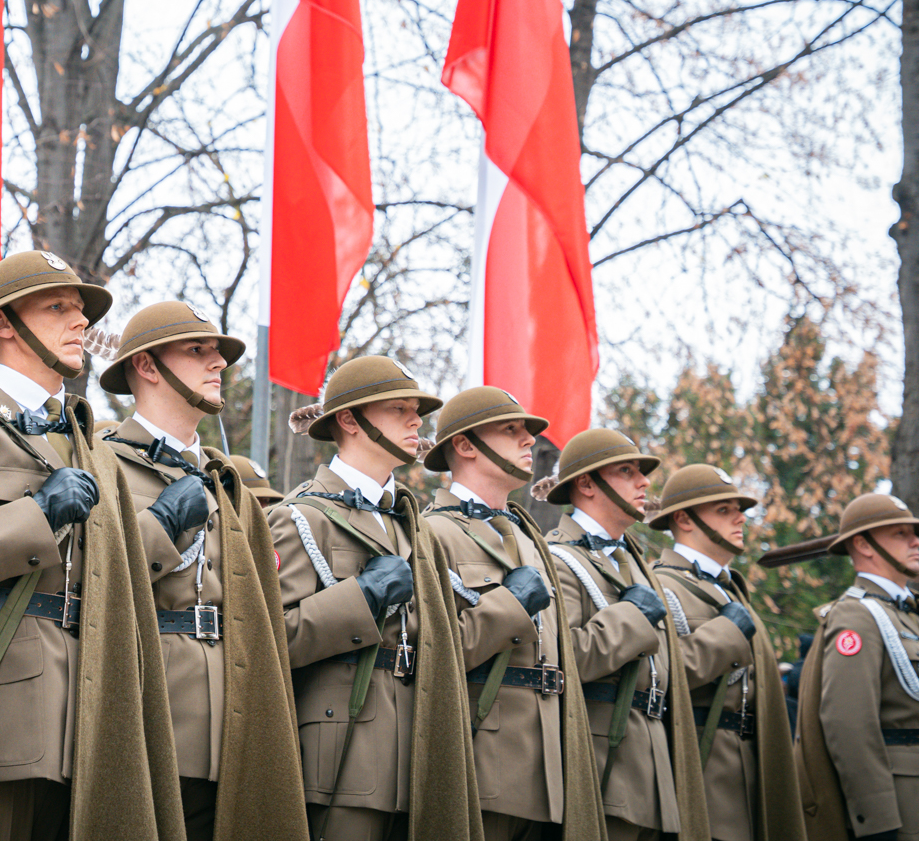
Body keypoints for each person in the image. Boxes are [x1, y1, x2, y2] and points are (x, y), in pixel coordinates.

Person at [0, 251, 183, 841]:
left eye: (81, 311)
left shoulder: (90, 444)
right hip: (2, 712)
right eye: (57, 307)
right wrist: (37, 516)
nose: (79, 324)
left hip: (92, 712)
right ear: (3, 324)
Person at [96, 301, 303, 841]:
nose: (218, 363)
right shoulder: (102, 461)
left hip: (233, 717)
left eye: (218, 353)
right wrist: (162, 523)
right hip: (148, 710)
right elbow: (94, 579)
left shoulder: (226, 482)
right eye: (197, 350)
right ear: (146, 366)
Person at [268, 356, 482, 841]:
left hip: (416, 753)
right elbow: (272, 638)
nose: (416, 421)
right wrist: (361, 599)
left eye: (417, 409)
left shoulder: (412, 524)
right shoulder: (303, 516)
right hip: (340, 756)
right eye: (399, 408)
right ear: (350, 419)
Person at [421, 387, 603, 841]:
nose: (529, 441)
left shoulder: (529, 538)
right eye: (511, 429)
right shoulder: (431, 531)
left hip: (549, 769)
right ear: (464, 445)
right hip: (484, 760)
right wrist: (511, 606)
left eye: (527, 431)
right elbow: (434, 653)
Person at [794, 492, 919, 841]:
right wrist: (876, 819)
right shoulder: (856, 616)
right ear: (864, 545)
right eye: (900, 533)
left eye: (913, 533)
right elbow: (848, 723)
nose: (917, 541)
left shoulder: (910, 614)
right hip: (900, 810)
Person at [542, 429, 710, 841]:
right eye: (626, 471)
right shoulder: (557, 557)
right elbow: (566, 658)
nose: (644, 482)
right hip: (602, 767)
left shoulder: (637, 563)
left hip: (652, 770)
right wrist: (633, 617)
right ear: (586, 483)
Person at [646, 464, 804, 841]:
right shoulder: (658, 585)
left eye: (739, 509)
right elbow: (658, 675)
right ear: (683, 519)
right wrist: (726, 633)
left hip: (747, 778)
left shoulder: (731, 591)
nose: (740, 518)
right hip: (696, 778)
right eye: (723, 510)